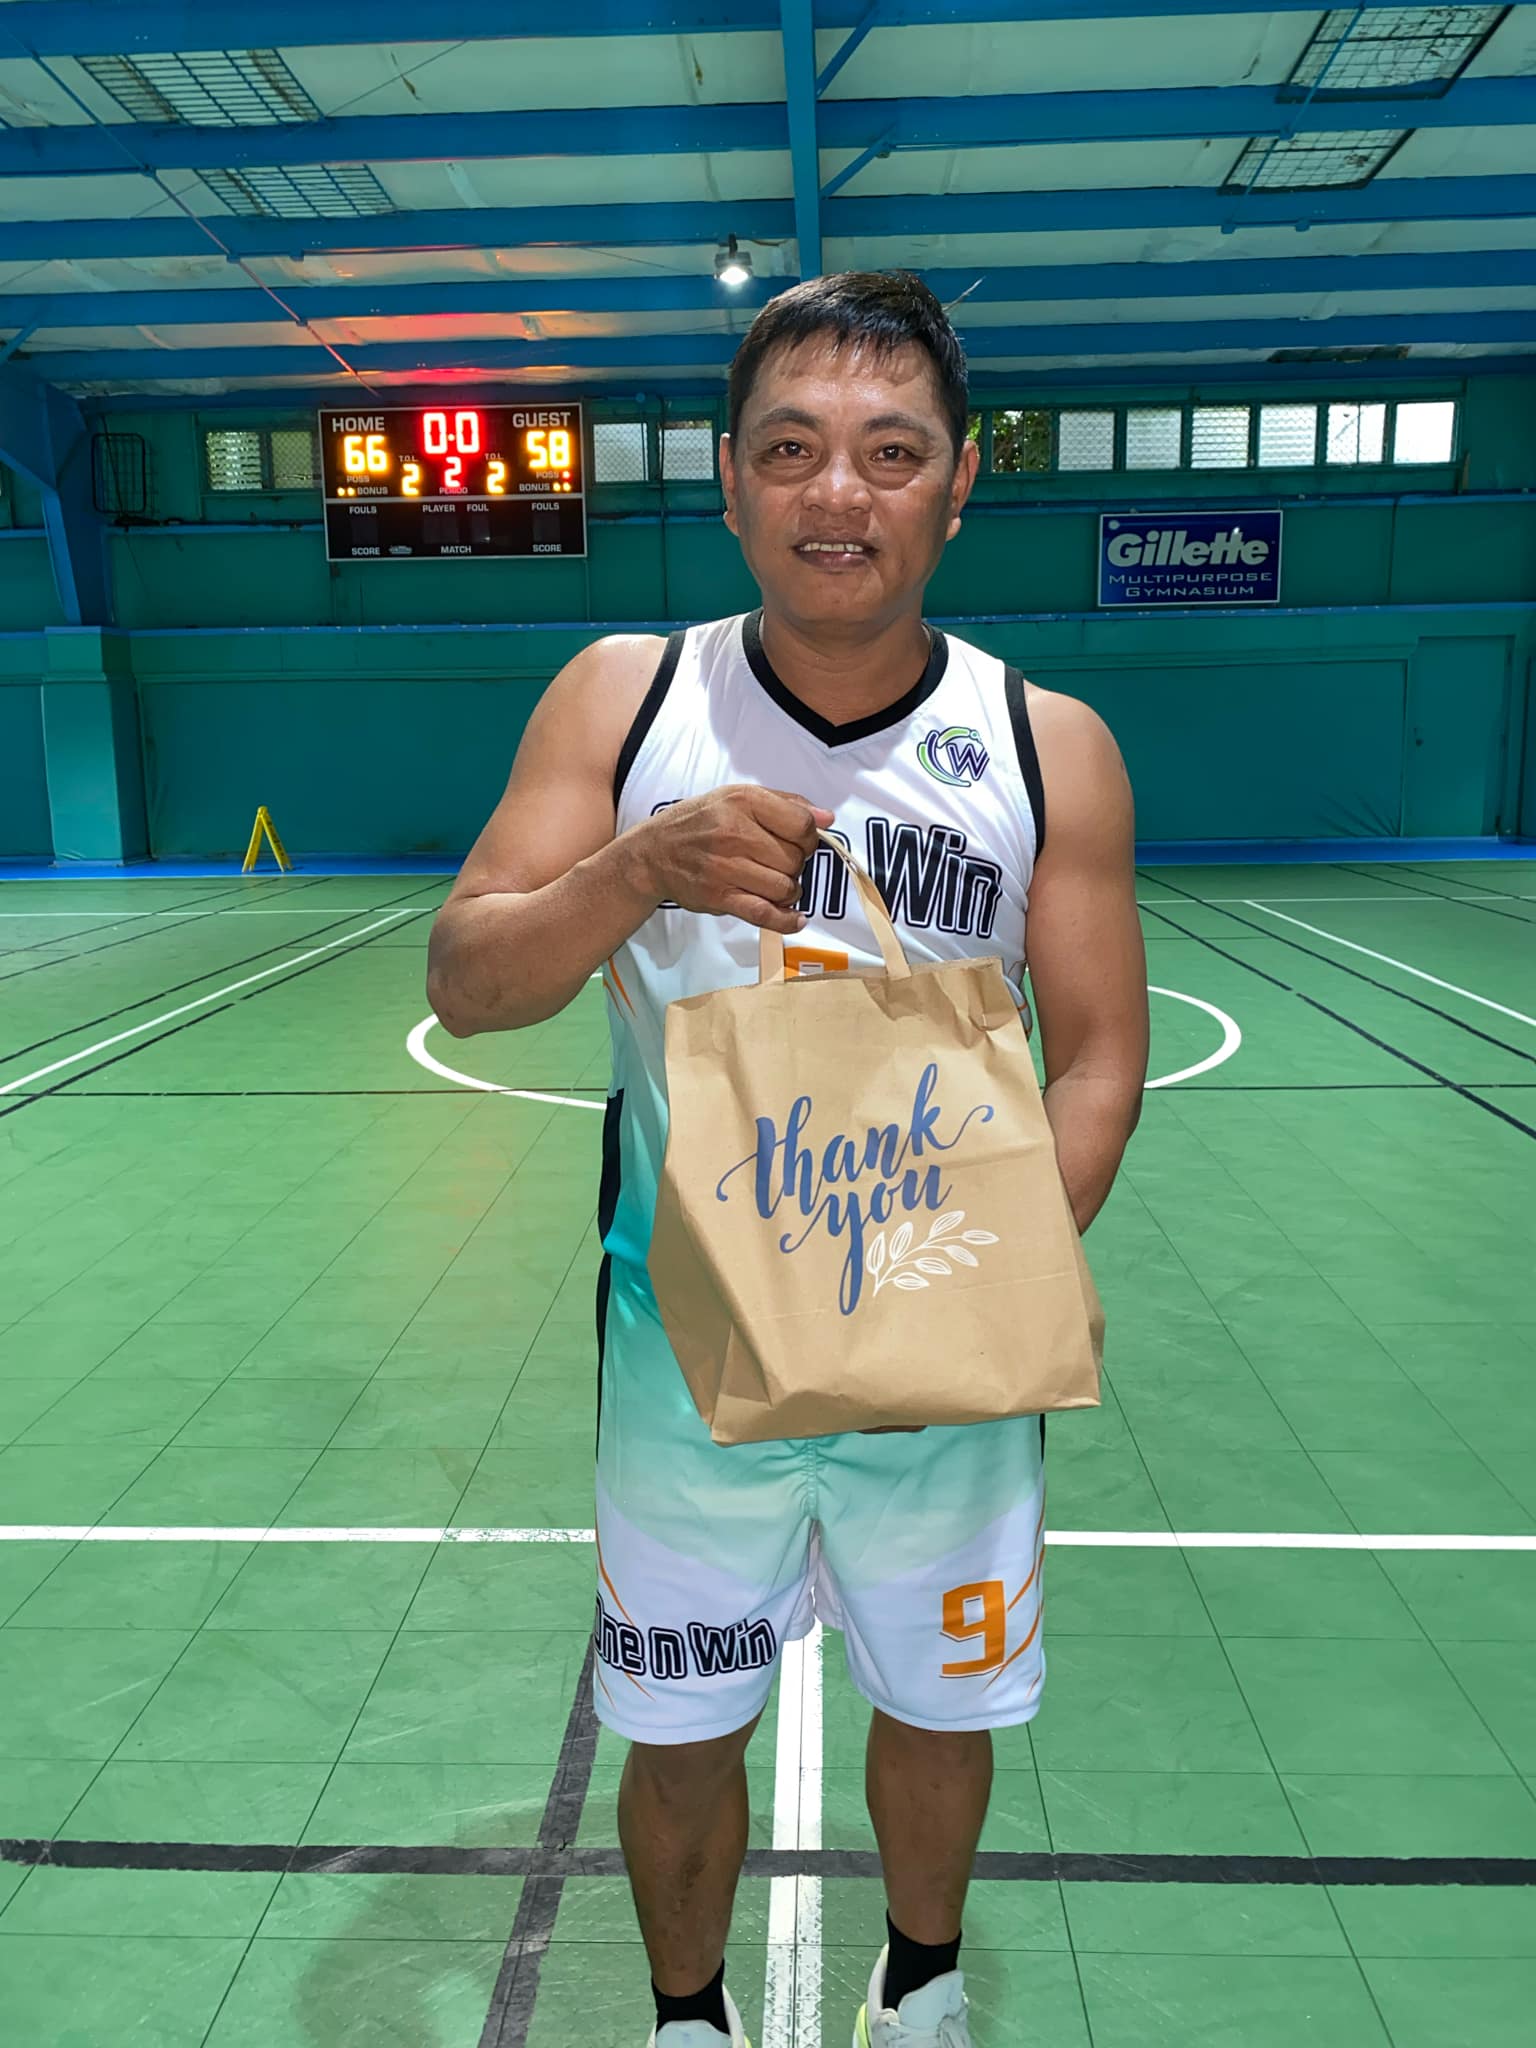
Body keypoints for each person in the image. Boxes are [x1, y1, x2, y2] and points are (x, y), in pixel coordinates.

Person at [426, 272, 1149, 2048]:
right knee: (674, 1727)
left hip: (945, 1376)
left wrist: (968, 1300)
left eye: (892, 453)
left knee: (945, 1701)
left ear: (959, 483)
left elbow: (1105, 1058)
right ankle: (690, 2019)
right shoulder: (626, 700)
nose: (844, 493)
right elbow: (468, 977)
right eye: (796, 452)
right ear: (732, 485)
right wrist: (630, 877)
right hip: (689, 1365)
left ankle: (920, 1989)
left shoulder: (1050, 746)